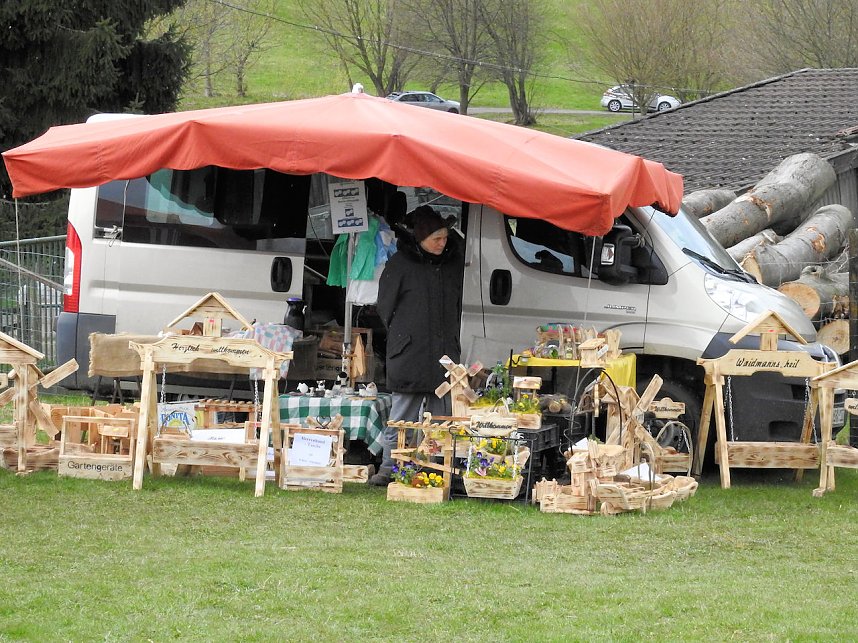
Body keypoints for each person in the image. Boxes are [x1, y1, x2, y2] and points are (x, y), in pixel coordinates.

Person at [368, 205, 464, 485]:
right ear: (420, 240)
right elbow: (385, 309)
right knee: (402, 419)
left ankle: (435, 467)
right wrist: (405, 336)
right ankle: (390, 467)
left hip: (443, 355)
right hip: (409, 353)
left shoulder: (450, 264)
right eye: (436, 238)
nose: (442, 243)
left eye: (445, 237)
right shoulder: (399, 265)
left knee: (440, 419)